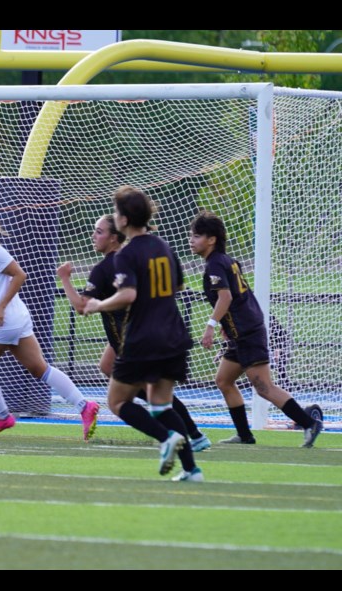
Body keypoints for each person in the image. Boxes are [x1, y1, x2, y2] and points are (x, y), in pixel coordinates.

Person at [0, 208, 100, 440]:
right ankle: (85, 406)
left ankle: (3, 417)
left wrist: (1, 306)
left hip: (4, 321)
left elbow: (19, 274)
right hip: (17, 319)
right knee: (39, 368)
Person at [58, 215, 211, 451]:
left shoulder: (107, 267)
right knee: (109, 367)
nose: (93, 236)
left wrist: (65, 279)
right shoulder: (137, 257)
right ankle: (189, 441)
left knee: (131, 398)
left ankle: (181, 436)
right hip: (151, 332)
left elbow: (81, 307)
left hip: (135, 341)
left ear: (113, 237)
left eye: (99, 231)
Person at [84, 187, 202, 481]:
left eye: (115, 211)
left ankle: (166, 439)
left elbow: (128, 294)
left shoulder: (125, 255)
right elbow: (176, 287)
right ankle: (192, 469)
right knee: (161, 404)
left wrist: (100, 304)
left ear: (123, 220)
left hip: (143, 337)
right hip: (174, 333)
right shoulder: (163, 245)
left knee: (118, 402)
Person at [189, 211, 322, 447]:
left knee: (264, 387)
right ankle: (245, 435)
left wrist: (210, 325)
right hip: (240, 332)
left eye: (197, 235)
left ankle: (309, 423)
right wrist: (225, 325)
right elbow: (239, 297)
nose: (192, 240)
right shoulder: (225, 261)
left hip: (247, 333)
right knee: (223, 380)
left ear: (211, 240)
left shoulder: (215, 264)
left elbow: (226, 297)